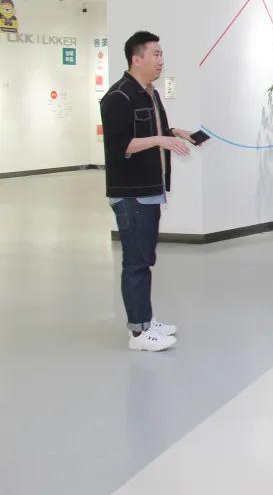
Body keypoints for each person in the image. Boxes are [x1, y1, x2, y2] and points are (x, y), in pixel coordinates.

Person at [101, 31, 198, 352]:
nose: (161, 60)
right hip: (132, 193)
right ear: (136, 58)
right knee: (136, 262)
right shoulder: (119, 96)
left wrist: (174, 133)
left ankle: (145, 319)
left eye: (161, 54)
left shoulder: (149, 93)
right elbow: (118, 145)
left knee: (144, 259)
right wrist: (160, 140)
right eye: (155, 54)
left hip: (151, 189)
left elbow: (150, 130)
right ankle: (139, 333)